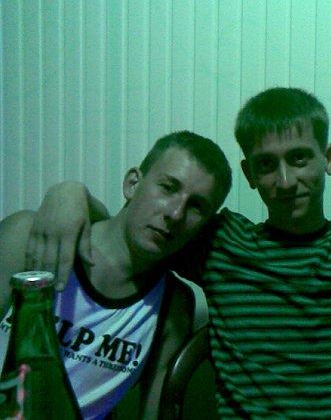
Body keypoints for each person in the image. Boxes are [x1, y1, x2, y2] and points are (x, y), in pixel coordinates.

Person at [25, 87, 331, 419]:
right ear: (249, 175)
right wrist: (72, 194)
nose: (286, 181)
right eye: (267, 165)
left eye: (300, 159)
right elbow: (131, 229)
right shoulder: (219, 241)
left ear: (328, 159)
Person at [0, 131, 232, 419]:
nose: (175, 213)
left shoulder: (173, 307)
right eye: (168, 188)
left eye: (196, 206)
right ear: (133, 183)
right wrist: (71, 190)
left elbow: (155, 413)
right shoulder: (26, 238)